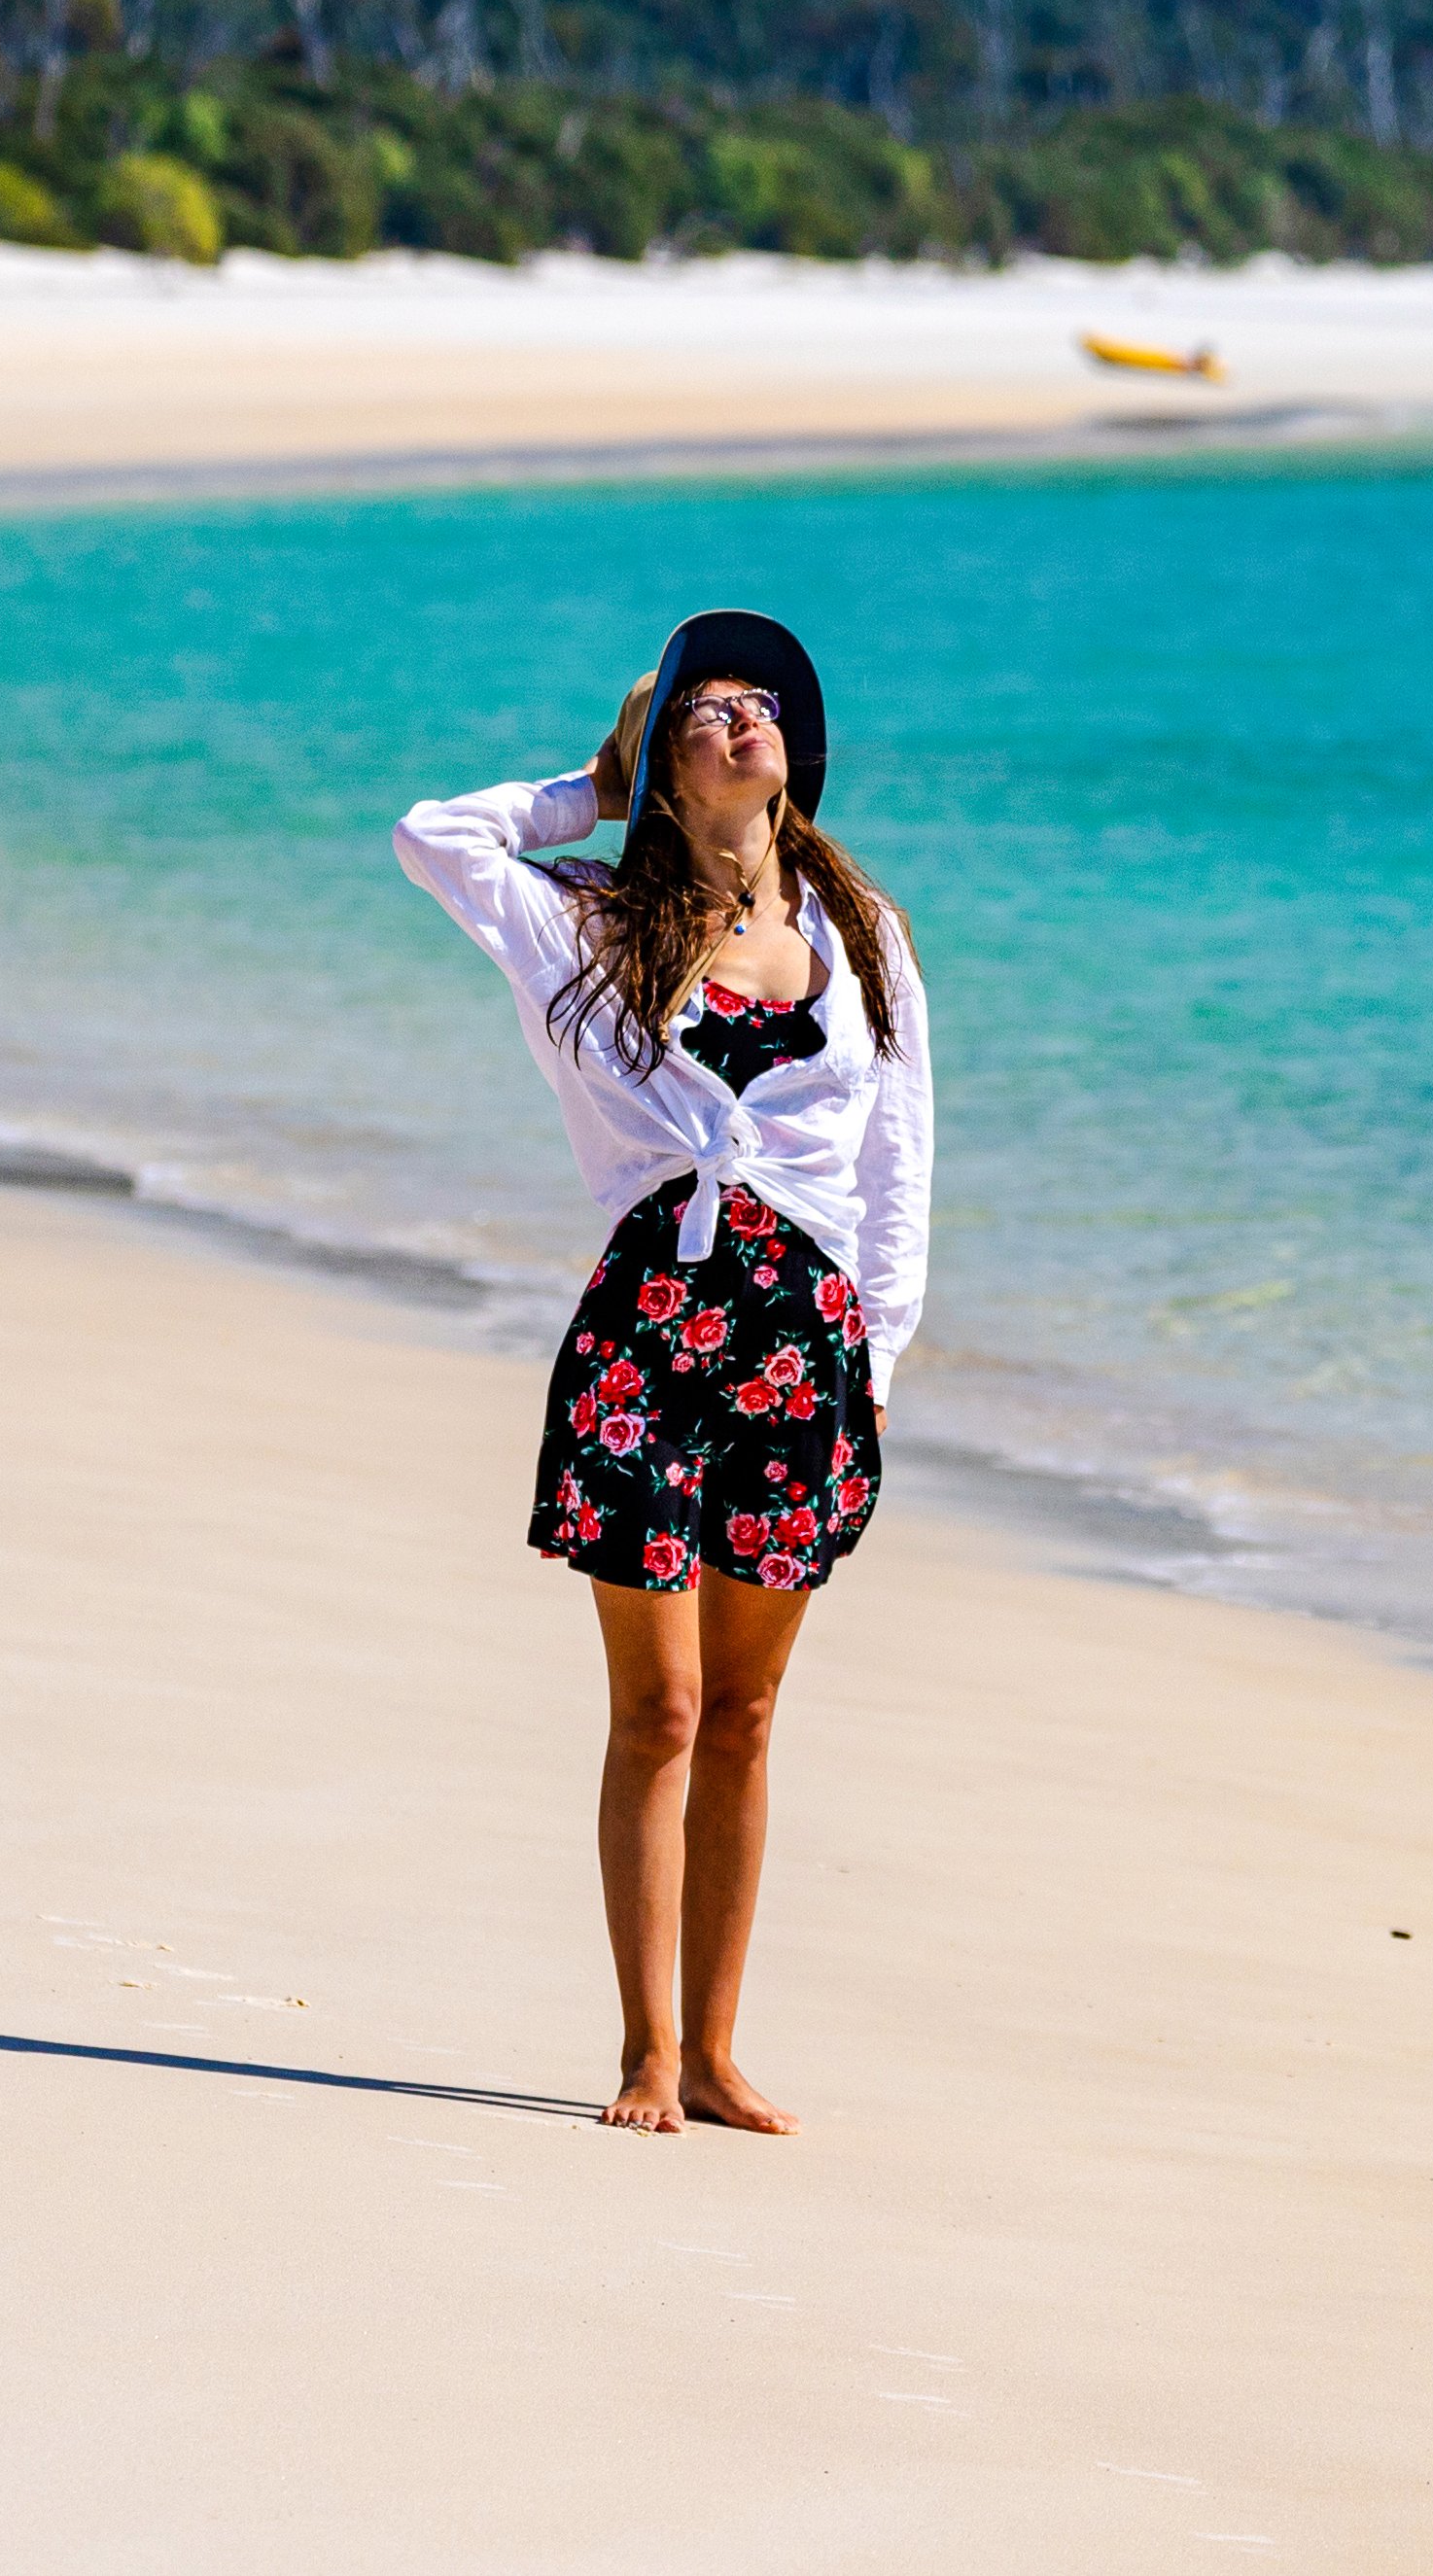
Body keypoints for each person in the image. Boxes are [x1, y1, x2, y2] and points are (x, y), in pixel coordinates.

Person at [392, 609, 932, 2135]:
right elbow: (434, 836)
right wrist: (589, 775)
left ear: (791, 760)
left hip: (806, 1347)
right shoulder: (584, 923)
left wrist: (877, 1353)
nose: (740, 716)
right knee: (667, 1710)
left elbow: (900, 1160)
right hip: (650, 1333)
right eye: (706, 704)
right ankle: (642, 2052)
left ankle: (716, 2048)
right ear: (667, 754)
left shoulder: (860, 937)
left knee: (752, 1716)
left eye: (762, 703)